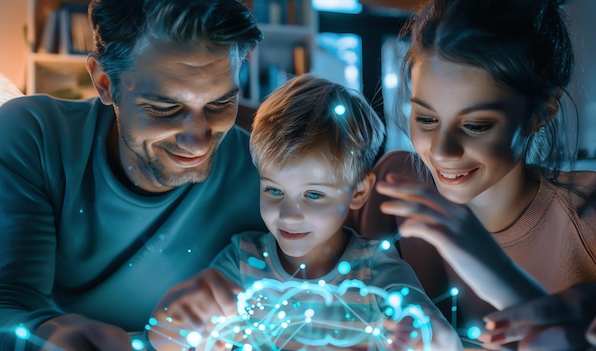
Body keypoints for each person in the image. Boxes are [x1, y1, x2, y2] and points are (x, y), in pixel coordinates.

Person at [0, 0, 267, 350]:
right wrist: (47, 334)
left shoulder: (264, 170)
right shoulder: (36, 136)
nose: (198, 140)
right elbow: (0, 304)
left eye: (219, 104)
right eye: (166, 108)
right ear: (105, 82)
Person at [345, 0, 596, 349]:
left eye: (475, 125)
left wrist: (505, 280)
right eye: (426, 119)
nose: (441, 152)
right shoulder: (391, 186)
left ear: (541, 113)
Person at [147, 74, 462, 351]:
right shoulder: (242, 260)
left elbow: (444, 340)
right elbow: (164, 335)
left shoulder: (376, 269)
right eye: (274, 191)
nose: (289, 215)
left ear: (359, 192)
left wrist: (424, 335)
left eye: (313, 194)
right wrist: (177, 317)